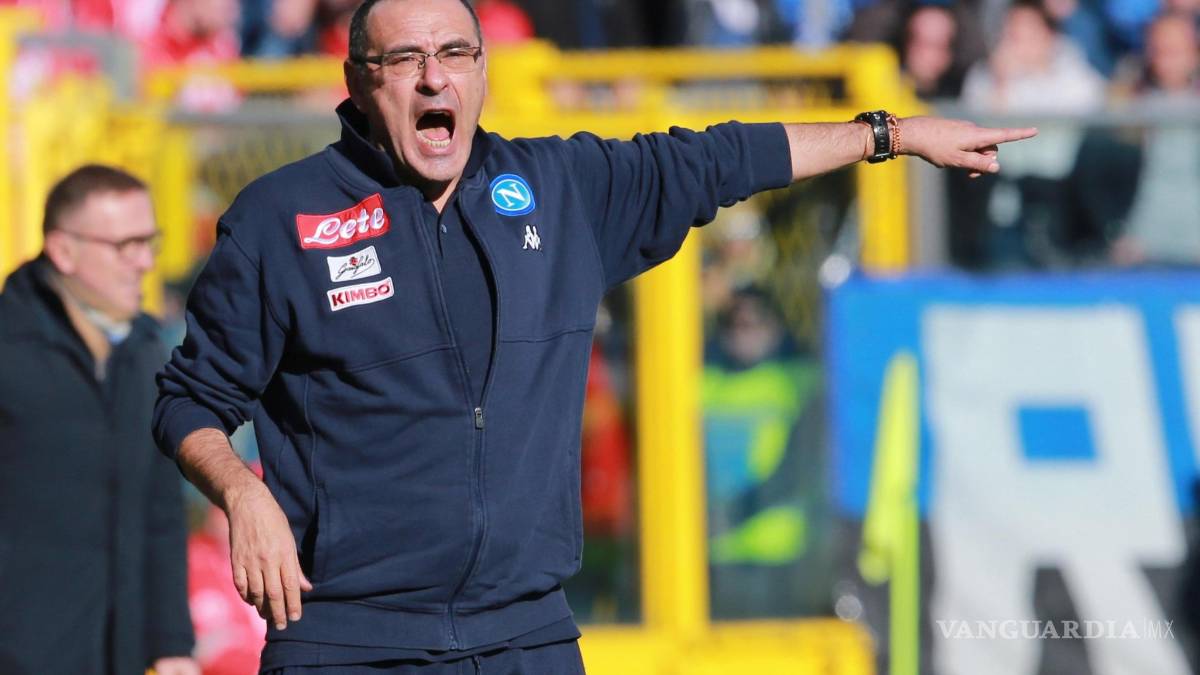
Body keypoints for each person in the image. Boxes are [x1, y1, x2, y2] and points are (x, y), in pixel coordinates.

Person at [151, 0, 1036, 671]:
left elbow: (719, 158)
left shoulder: (557, 187)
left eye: (455, 54)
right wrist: (242, 494)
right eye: (406, 58)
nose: (433, 79)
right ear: (358, 81)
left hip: (527, 635)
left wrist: (889, 134)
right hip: (352, 640)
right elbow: (187, 400)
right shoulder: (282, 219)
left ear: (482, 73)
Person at [0, 165, 198, 675]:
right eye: (125, 245)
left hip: (119, 654)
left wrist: (171, 643)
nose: (145, 262)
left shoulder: (147, 351)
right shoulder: (9, 349)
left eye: (149, 241)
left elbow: (160, 512)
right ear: (63, 251)